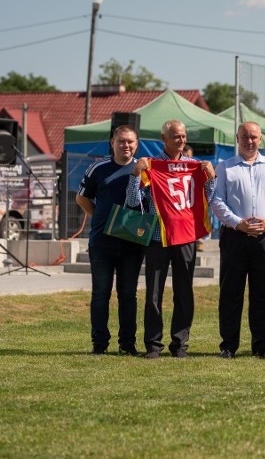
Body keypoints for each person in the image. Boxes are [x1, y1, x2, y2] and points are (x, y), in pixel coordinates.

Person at [126, 119, 216, 359]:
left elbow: (211, 199)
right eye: (176, 136)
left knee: (184, 292)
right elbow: (133, 202)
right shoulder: (150, 165)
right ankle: (153, 345)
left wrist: (212, 177)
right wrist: (136, 174)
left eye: (184, 136)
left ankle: (180, 345)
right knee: (154, 293)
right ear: (163, 138)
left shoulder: (195, 165)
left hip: (186, 237)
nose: (181, 140)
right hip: (157, 236)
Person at [211, 122, 265, 359]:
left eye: (254, 137)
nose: (249, 141)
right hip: (234, 237)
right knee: (231, 293)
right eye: (245, 137)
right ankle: (228, 345)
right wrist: (238, 223)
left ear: (260, 139)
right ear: (237, 138)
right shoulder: (224, 168)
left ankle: (261, 345)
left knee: (263, 293)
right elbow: (216, 200)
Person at [76, 125, 146, 356]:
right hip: (102, 243)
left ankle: (127, 344)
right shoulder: (98, 168)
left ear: (137, 144)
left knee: (128, 295)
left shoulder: (144, 169)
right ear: (112, 143)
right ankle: (99, 344)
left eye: (130, 142)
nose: (126, 145)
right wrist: (100, 217)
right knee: (100, 294)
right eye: (121, 141)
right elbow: (81, 198)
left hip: (131, 243)